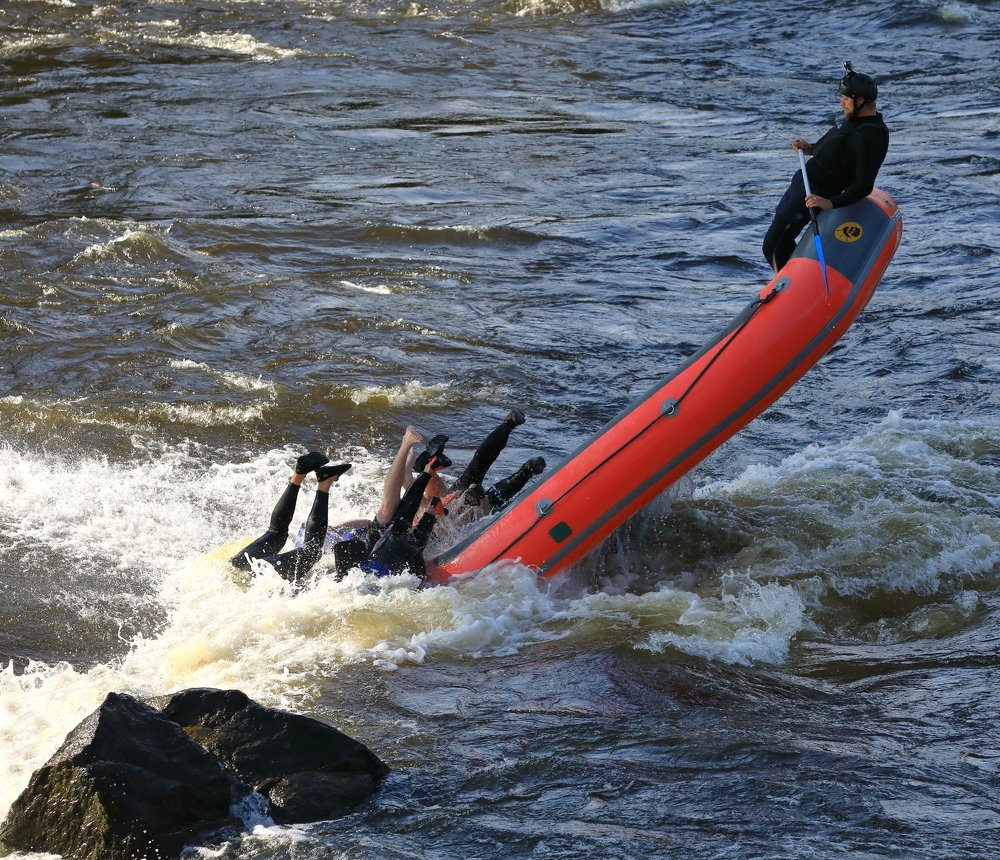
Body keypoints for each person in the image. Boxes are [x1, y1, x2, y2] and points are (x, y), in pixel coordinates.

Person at [762, 61, 890, 273]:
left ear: (860, 100)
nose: (841, 103)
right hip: (802, 185)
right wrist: (811, 148)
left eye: (845, 99)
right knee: (778, 244)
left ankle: (793, 291)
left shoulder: (872, 137)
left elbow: (864, 184)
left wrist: (830, 203)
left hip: (816, 194)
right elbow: (840, 146)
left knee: (773, 246)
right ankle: (797, 281)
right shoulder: (856, 120)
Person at [230, 452, 351, 585]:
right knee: (275, 532)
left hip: (260, 575)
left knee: (312, 550)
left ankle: (325, 482)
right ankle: (299, 474)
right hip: (238, 563)